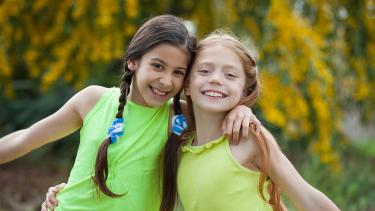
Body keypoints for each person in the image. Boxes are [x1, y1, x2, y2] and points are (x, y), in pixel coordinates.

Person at [0, 15, 259, 211]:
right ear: (132, 61)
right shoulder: (93, 100)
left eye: (178, 72)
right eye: (158, 66)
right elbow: (25, 139)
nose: (166, 81)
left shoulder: (181, 117)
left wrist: (241, 110)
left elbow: (221, 107)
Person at [160, 31, 341, 211]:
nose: (215, 79)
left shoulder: (248, 138)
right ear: (187, 85)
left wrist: (243, 109)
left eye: (230, 75)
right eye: (205, 71)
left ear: (244, 92)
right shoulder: (182, 145)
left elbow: (307, 198)